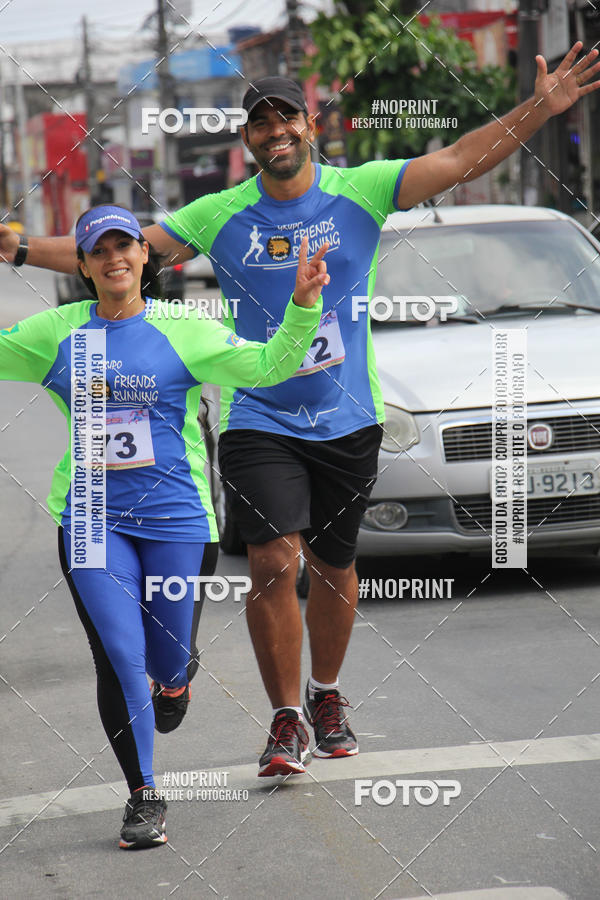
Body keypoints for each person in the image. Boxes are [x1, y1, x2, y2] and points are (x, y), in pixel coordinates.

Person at [1, 42, 599, 778]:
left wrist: (543, 107)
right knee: (273, 559)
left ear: (309, 125)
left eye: (287, 118)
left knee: (334, 565)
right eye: (261, 123)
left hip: (348, 417)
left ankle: (325, 693)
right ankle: (284, 718)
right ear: (247, 139)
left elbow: (462, 159)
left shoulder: (363, 189)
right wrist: (24, 247)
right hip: (260, 416)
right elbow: (124, 253)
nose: (275, 131)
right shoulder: (222, 213)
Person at [0, 205, 328, 847]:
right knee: (121, 658)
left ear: (144, 257)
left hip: (178, 517)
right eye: (100, 250)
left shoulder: (183, 328)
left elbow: (269, 366)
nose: (115, 257)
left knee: (164, 659)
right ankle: (145, 795)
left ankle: (174, 676)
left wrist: (304, 305)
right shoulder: (57, 333)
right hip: (91, 514)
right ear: (85, 265)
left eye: (126, 246)